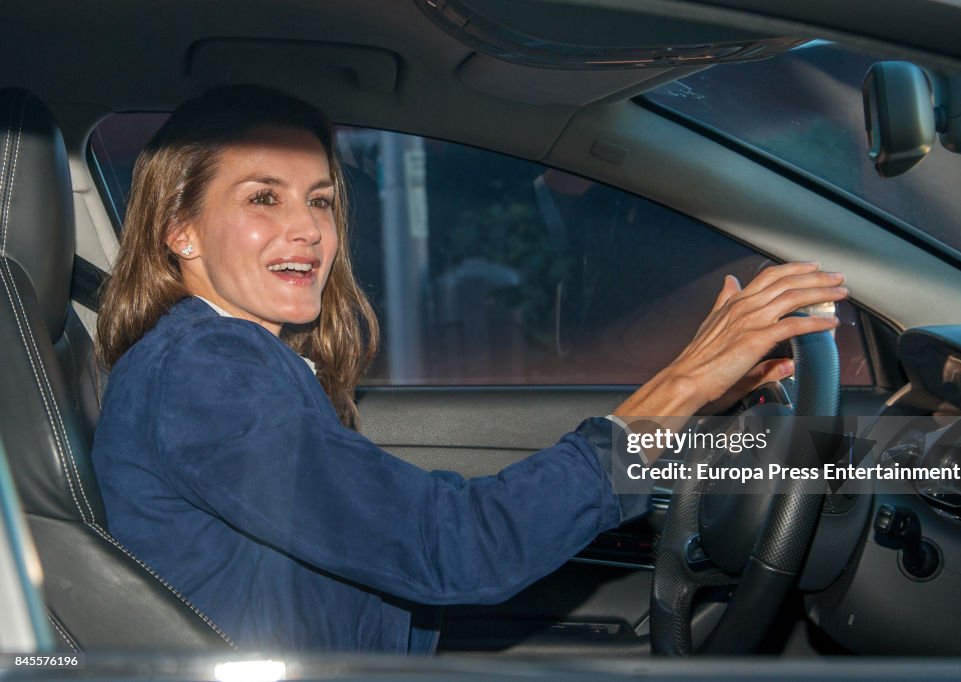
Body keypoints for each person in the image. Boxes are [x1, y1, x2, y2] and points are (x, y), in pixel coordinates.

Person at [91, 85, 847, 653]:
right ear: (180, 230)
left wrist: (699, 407)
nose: (307, 229)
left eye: (320, 200)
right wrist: (683, 384)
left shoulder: (228, 360)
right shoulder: (204, 373)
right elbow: (449, 549)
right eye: (264, 197)